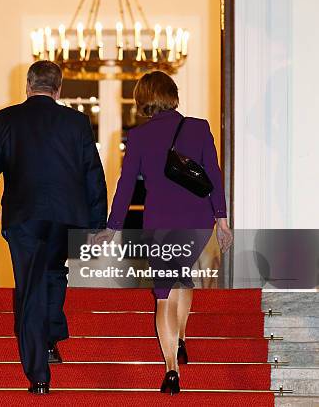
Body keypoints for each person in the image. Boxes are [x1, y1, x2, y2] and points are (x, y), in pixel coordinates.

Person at [92, 71, 233, 394]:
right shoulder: (198, 128)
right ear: (173, 95)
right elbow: (213, 174)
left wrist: (113, 228)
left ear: (143, 100)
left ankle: (171, 369)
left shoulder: (139, 137)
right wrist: (222, 220)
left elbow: (126, 185)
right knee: (184, 277)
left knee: (163, 292)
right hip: (198, 220)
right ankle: (181, 338)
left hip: (159, 223)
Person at [0, 60, 107, 394]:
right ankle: (50, 340)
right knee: (53, 273)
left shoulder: (5, 120)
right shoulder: (76, 122)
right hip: (67, 217)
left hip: (24, 217)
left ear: (28, 85)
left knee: (31, 285)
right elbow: (93, 174)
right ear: (59, 89)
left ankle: (39, 375)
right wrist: (97, 223)